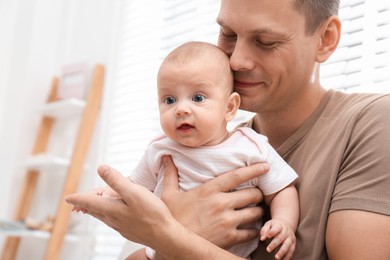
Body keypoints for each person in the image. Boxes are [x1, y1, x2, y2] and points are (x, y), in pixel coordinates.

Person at [66, 0, 390, 259]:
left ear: (326, 39)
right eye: (228, 35)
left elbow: (161, 238)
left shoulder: (373, 123)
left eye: (266, 41)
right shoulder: (195, 146)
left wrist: (172, 235)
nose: (237, 61)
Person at [89, 41, 299, 260]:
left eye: (198, 98)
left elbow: (283, 189)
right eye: (169, 100)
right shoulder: (160, 149)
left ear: (229, 108)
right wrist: (108, 195)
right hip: (165, 249)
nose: (181, 109)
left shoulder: (251, 147)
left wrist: (284, 222)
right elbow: (135, 188)